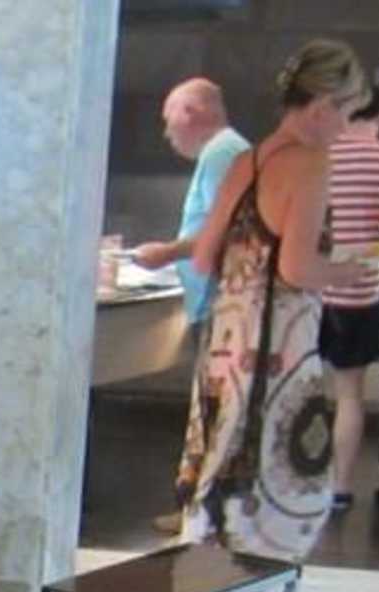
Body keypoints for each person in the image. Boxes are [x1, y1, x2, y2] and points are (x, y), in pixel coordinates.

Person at [174, 41, 374, 592]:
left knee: (219, 480)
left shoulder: (249, 159)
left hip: (226, 348)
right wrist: (347, 271)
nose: (345, 126)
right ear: (320, 104)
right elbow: (297, 268)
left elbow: (204, 257)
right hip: (278, 352)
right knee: (290, 491)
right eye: (346, 112)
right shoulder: (309, 163)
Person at [129, 78, 252, 536]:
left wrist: (166, 253)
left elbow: (226, 229)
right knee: (212, 411)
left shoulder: (222, 153)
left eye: (169, 120)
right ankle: (196, 508)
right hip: (216, 300)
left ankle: (202, 514)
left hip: (222, 303)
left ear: (192, 113)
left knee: (214, 413)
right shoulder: (227, 152)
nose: (167, 134)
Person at [319, 84, 379, 509]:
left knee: (297, 388)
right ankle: (339, 488)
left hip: (310, 287)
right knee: (349, 393)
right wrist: (368, 245)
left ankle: (292, 486)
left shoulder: (320, 152)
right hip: (358, 293)